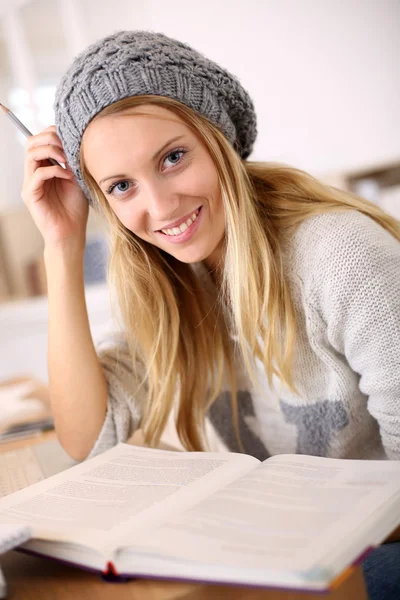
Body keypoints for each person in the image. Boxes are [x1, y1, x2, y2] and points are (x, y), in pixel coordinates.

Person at [21, 30, 399, 598]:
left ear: (217, 137)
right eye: (121, 186)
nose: (160, 208)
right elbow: (89, 438)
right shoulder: (170, 280)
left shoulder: (341, 255)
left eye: (173, 158)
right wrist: (62, 245)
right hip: (284, 550)